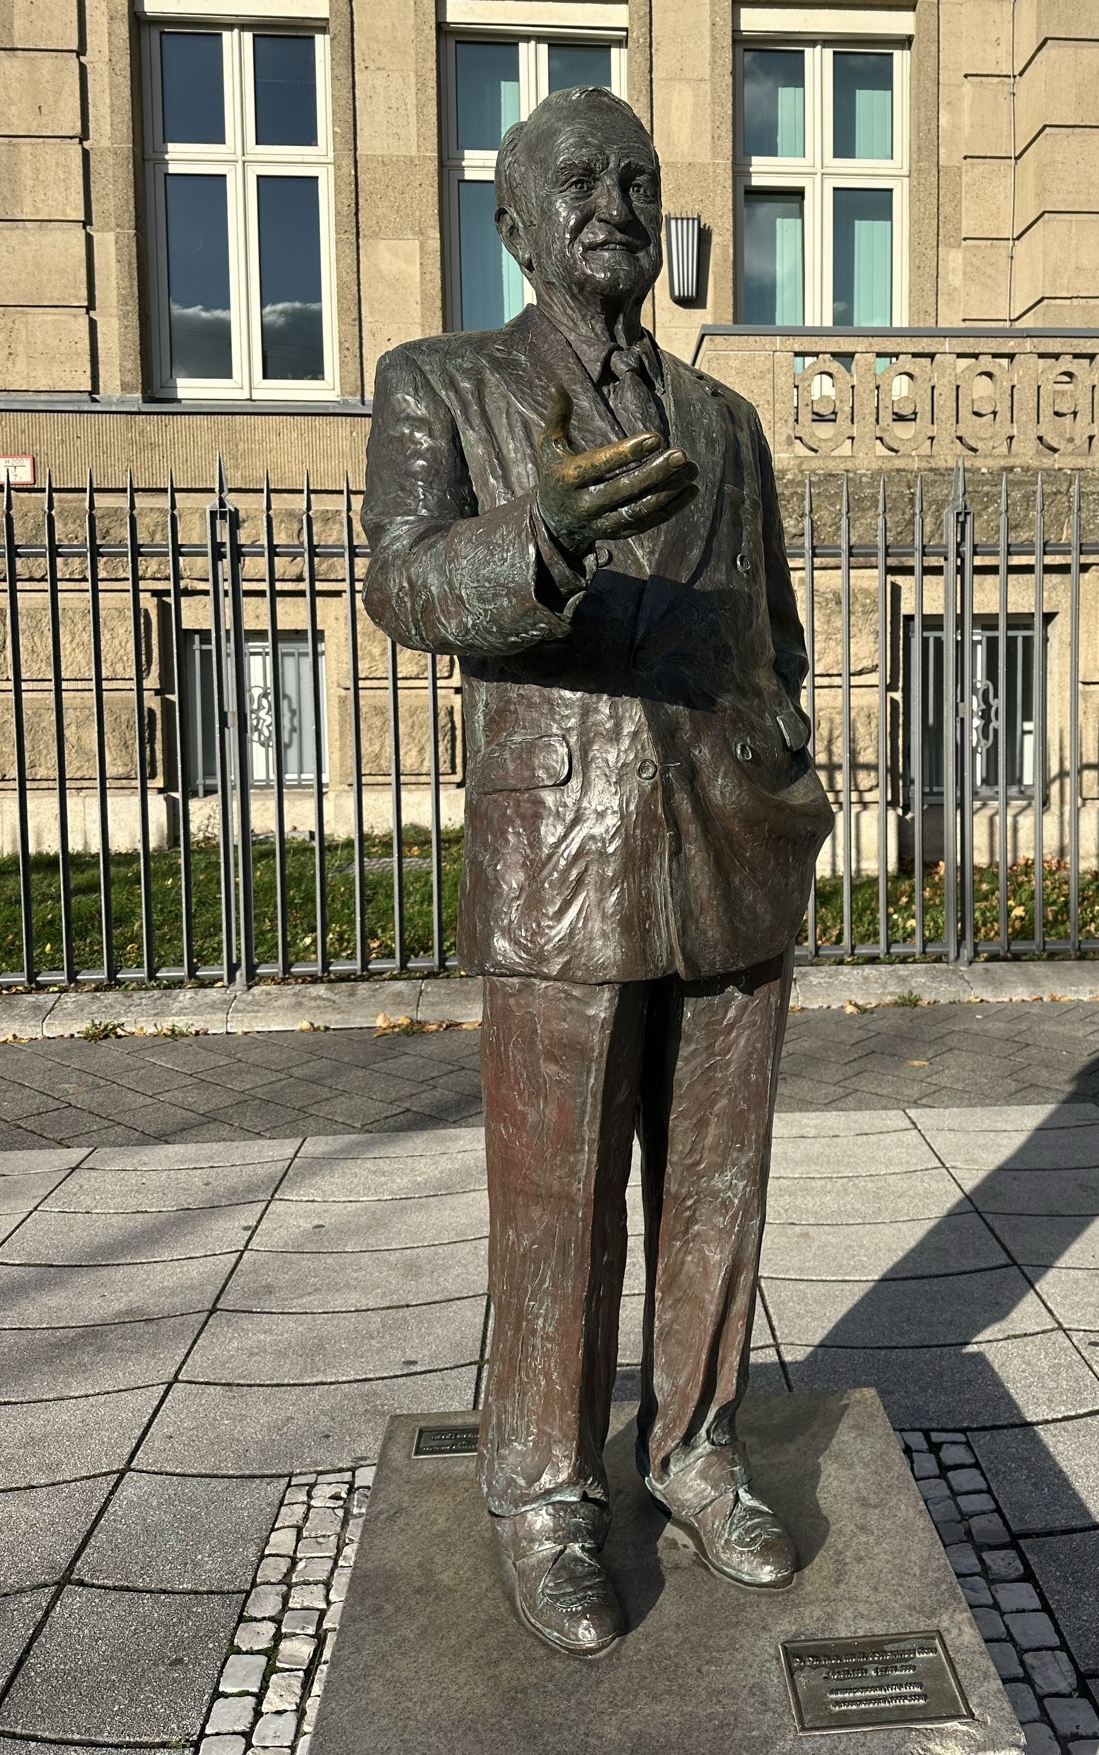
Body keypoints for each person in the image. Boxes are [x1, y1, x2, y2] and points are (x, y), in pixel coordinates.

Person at [361, 86, 832, 1657]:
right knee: (556, 1201)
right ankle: (547, 1491)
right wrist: (541, 536)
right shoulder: (442, 382)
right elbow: (405, 588)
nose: (612, 202)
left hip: (732, 851)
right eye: (575, 180)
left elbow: (774, 633)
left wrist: (789, 769)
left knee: (716, 1190)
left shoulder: (724, 422)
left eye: (635, 177)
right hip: (561, 854)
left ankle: (694, 1448)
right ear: (511, 221)